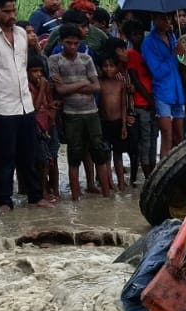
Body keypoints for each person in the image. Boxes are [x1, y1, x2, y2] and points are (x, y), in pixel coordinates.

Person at [0, 0, 49, 208]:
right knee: (5, 158)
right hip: (3, 106)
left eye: (14, 10)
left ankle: (35, 197)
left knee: (29, 155)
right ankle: (5, 201)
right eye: (7, 11)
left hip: (25, 104)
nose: (12, 15)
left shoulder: (21, 34)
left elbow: (23, 67)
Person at [49, 25, 107, 200]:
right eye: (69, 43)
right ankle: (75, 197)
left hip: (91, 112)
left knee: (99, 152)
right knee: (74, 155)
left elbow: (97, 87)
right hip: (71, 114)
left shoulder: (86, 59)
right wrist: (83, 83)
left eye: (76, 43)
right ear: (61, 42)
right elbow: (60, 90)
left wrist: (69, 86)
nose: (73, 47)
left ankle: (106, 196)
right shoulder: (54, 60)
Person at [141, 12, 185, 159]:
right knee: (167, 135)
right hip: (162, 91)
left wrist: (180, 53)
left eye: (169, 18)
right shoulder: (149, 42)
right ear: (154, 19)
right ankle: (165, 167)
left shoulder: (172, 37)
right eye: (163, 18)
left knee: (179, 136)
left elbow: (180, 63)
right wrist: (174, 55)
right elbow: (157, 71)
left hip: (177, 91)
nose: (167, 21)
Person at [121, 19, 155, 183]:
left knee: (152, 140)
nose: (138, 37)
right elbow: (135, 80)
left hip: (151, 102)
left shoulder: (147, 52)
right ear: (128, 37)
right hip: (142, 104)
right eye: (134, 35)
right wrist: (150, 100)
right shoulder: (131, 54)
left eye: (140, 34)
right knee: (145, 142)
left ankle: (150, 173)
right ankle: (148, 176)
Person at [97, 54, 130, 192]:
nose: (108, 69)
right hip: (104, 123)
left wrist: (124, 125)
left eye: (111, 66)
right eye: (105, 66)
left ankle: (121, 183)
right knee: (106, 155)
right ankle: (109, 182)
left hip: (117, 122)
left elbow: (123, 105)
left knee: (118, 155)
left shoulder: (120, 83)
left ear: (117, 67)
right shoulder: (99, 83)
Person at [27, 62, 60, 199]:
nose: (39, 74)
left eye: (40, 71)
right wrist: (41, 89)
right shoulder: (28, 87)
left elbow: (49, 102)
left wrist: (52, 108)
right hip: (38, 128)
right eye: (35, 71)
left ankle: (55, 191)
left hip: (49, 125)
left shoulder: (45, 85)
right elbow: (35, 107)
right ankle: (43, 192)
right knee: (43, 161)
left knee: (53, 158)